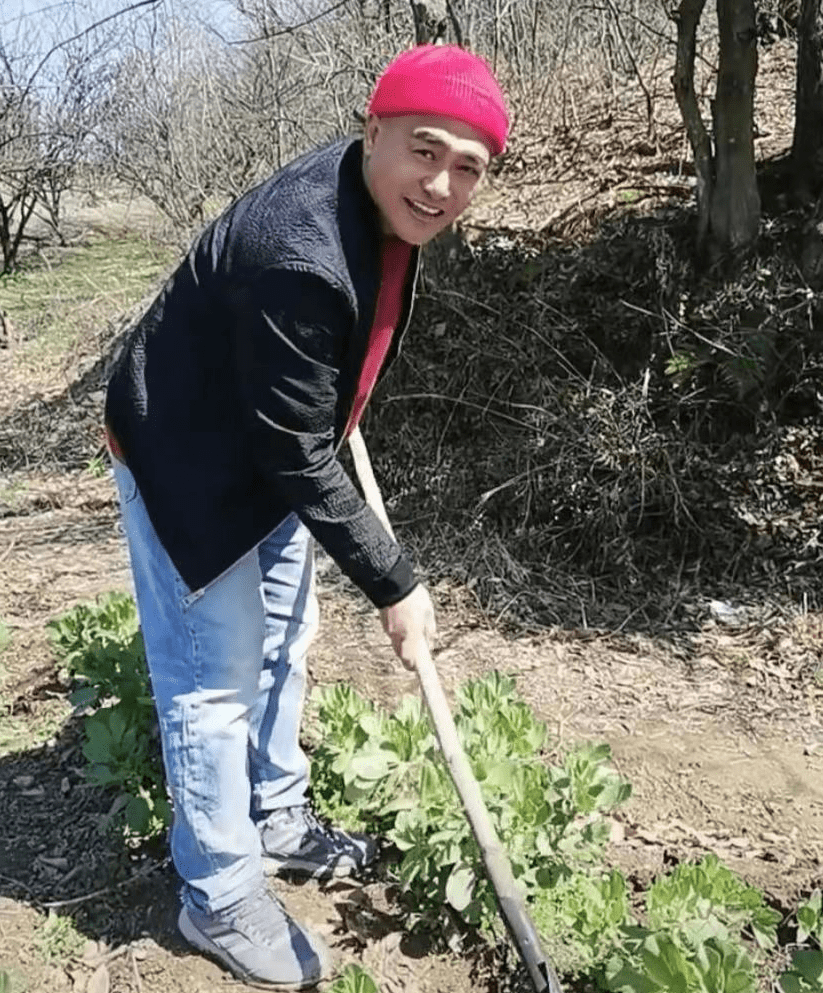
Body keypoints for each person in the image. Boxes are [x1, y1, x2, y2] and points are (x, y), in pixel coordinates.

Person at [104, 43, 509, 990]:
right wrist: (396, 582)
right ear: (372, 132)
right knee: (211, 681)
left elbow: (299, 425)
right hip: (190, 460)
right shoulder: (300, 253)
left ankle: (274, 813)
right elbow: (292, 447)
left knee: (286, 635)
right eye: (425, 150)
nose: (443, 184)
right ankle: (216, 891)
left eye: (469, 167)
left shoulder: (376, 204)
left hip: (269, 447)